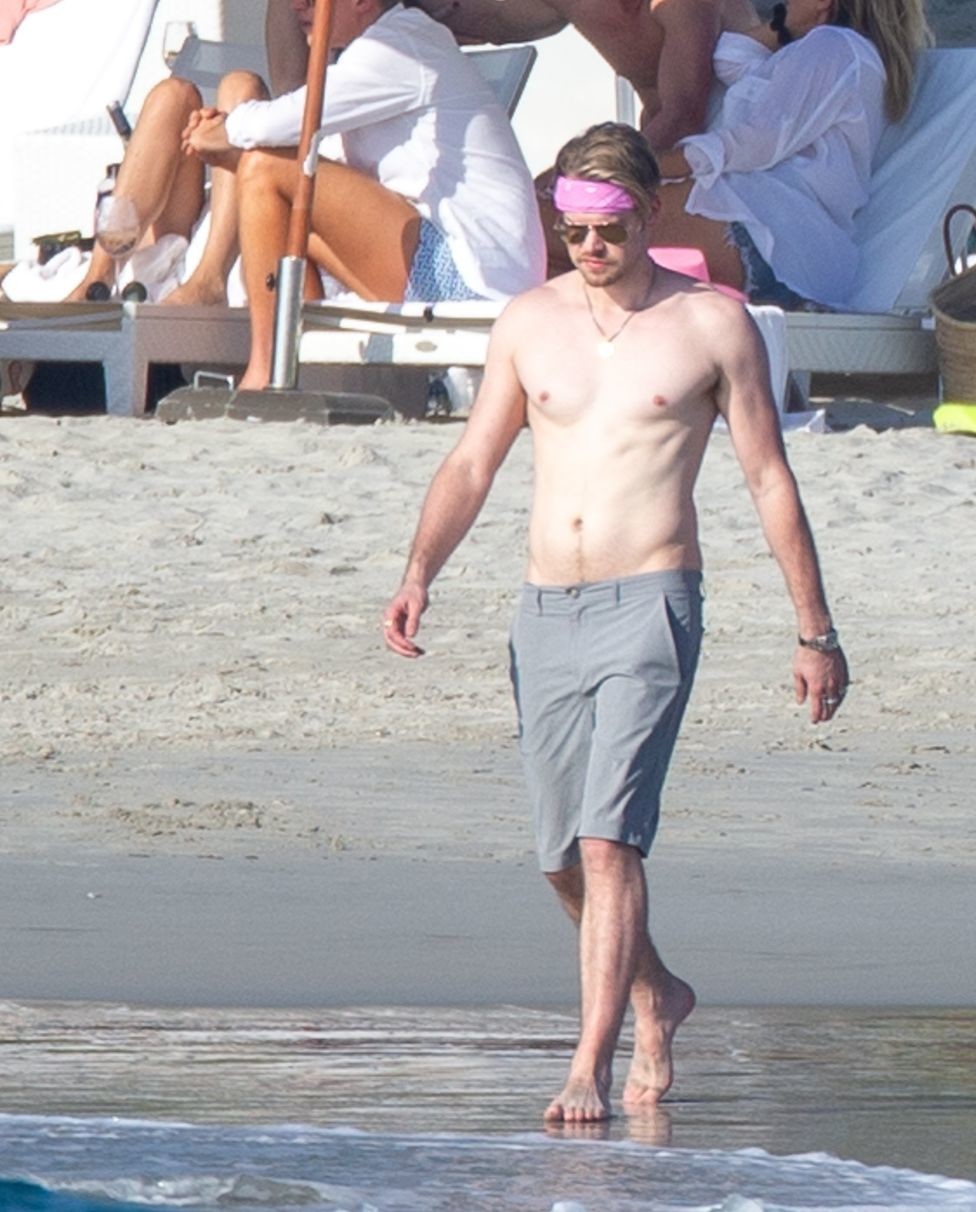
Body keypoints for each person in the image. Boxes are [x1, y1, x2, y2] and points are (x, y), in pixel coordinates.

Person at [381, 121, 851, 1123]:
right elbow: (474, 461)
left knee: (608, 843)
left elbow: (769, 479)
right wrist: (420, 570)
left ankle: (588, 1064)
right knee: (561, 855)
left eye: (610, 227)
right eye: (574, 230)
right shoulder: (528, 322)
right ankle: (656, 992)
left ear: (649, 213)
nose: (591, 247)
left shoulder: (713, 325)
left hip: (652, 600)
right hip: (545, 608)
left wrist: (814, 630)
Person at [184, 0, 545, 390]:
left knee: (265, 168)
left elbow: (289, 122)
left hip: (469, 280)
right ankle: (297, 363)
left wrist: (222, 129)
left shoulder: (400, 45)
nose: (297, 5)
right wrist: (227, 137)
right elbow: (310, 157)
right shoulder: (375, 52)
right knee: (278, 188)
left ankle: (267, 368)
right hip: (452, 262)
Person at [630, 0, 929, 309]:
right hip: (776, 235)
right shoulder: (824, 53)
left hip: (775, 236)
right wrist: (785, 25)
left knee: (624, 213)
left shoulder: (834, 48)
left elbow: (756, 140)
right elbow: (730, 57)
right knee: (616, 217)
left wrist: (652, 166)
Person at [414, 0, 760, 149]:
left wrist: (593, 176)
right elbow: (493, 20)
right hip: (676, 151)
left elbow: (684, 119)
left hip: (744, 154)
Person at [62, 70, 268, 306]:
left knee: (241, 86)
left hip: (252, 202)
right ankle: (98, 280)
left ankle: (211, 281)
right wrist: (207, 130)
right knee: (172, 95)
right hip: (201, 211)